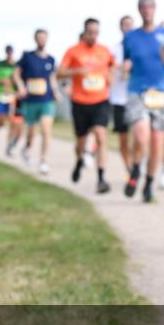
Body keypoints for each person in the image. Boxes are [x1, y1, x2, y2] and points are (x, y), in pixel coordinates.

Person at [122, 0, 164, 202]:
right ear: (139, 10)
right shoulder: (131, 37)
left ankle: (149, 184)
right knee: (142, 135)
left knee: (156, 141)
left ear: (155, 9)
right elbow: (127, 59)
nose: (146, 10)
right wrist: (126, 67)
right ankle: (136, 169)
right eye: (143, 7)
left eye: (150, 7)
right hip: (138, 91)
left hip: (162, 92)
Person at [58, 18, 114, 194]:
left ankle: (101, 178)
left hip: (100, 100)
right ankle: (78, 161)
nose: (93, 36)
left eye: (96, 32)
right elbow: (60, 73)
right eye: (90, 32)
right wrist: (77, 71)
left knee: (100, 135)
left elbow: (112, 66)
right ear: (84, 32)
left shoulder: (104, 51)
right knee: (81, 141)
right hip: (80, 102)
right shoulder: (73, 51)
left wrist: (110, 77)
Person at [13, 29, 59, 175]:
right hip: (31, 100)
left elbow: (52, 78)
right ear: (35, 39)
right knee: (31, 132)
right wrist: (20, 87)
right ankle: (27, 149)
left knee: (46, 129)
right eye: (39, 38)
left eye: (44, 38)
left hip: (46, 99)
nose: (42, 40)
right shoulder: (27, 57)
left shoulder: (50, 59)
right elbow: (16, 74)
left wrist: (56, 91)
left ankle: (43, 161)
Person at [110, 16, 135, 173]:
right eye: (125, 25)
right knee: (124, 138)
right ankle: (129, 168)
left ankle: (137, 164)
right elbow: (109, 70)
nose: (128, 28)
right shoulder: (114, 49)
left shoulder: (138, 47)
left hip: (136, 98)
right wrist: (120, 69)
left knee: (140, 136)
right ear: (121, 27)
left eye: (131, 26)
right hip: (119, 99)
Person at [0, 46, 17, 138]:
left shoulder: (16, 65)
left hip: (11, 95)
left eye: (11, 52)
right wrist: (2, 81)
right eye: (8, 52)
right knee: (2, 120)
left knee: (12, 118)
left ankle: (11, 140)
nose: (9, 54)